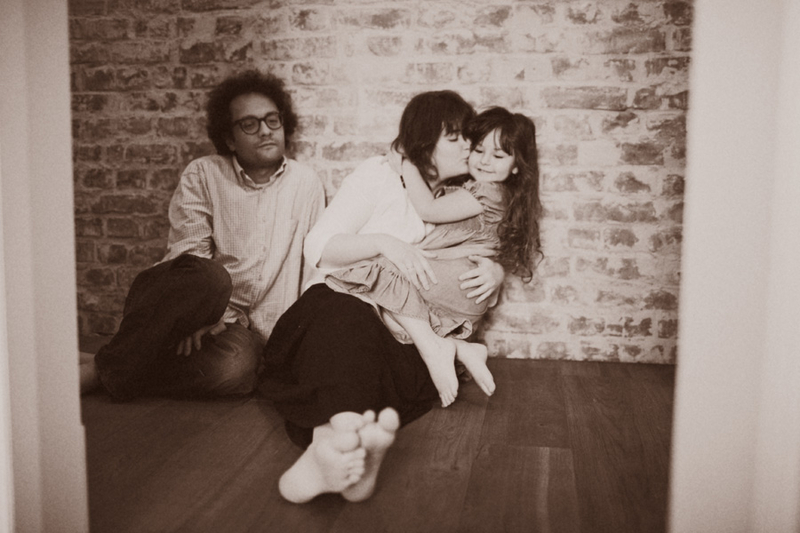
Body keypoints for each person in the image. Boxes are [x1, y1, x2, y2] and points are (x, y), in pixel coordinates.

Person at [258, 91, 507, 504]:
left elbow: (469, 258)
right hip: (333, 315)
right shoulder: (379, 175)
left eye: (469, 137)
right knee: (348, 323)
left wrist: (495, 273)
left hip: (398, 336)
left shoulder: (454, 198)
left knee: (382, 357)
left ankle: (338, 451)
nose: (469, 147)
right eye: (455, 138)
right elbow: (318, 247)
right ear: (423, 142)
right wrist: (384, 243)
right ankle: (339, 444)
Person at [79, 70, 325, 401]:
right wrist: (207, 316)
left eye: (272, 120)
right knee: (210, 276)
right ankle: (108, 369)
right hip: (195, 310)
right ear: (229, 138)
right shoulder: (204, 173)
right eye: (249, 124)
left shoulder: (305, 183)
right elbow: (189, 259)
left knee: (234, 370)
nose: (266, 130)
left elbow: (313, 269)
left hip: (250, 332)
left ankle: (110, 364)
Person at [325, 107, 543, 408]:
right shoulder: (476, 188)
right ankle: (460, 349)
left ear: (517, 166)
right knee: (388, 315)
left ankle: (438, 349)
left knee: (383, 269)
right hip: (460, 287)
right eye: (479, 150)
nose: (484, 161)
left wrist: (407, 164)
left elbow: (428, 210)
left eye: (498, 155)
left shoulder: (488, 190)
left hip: (461, 280)